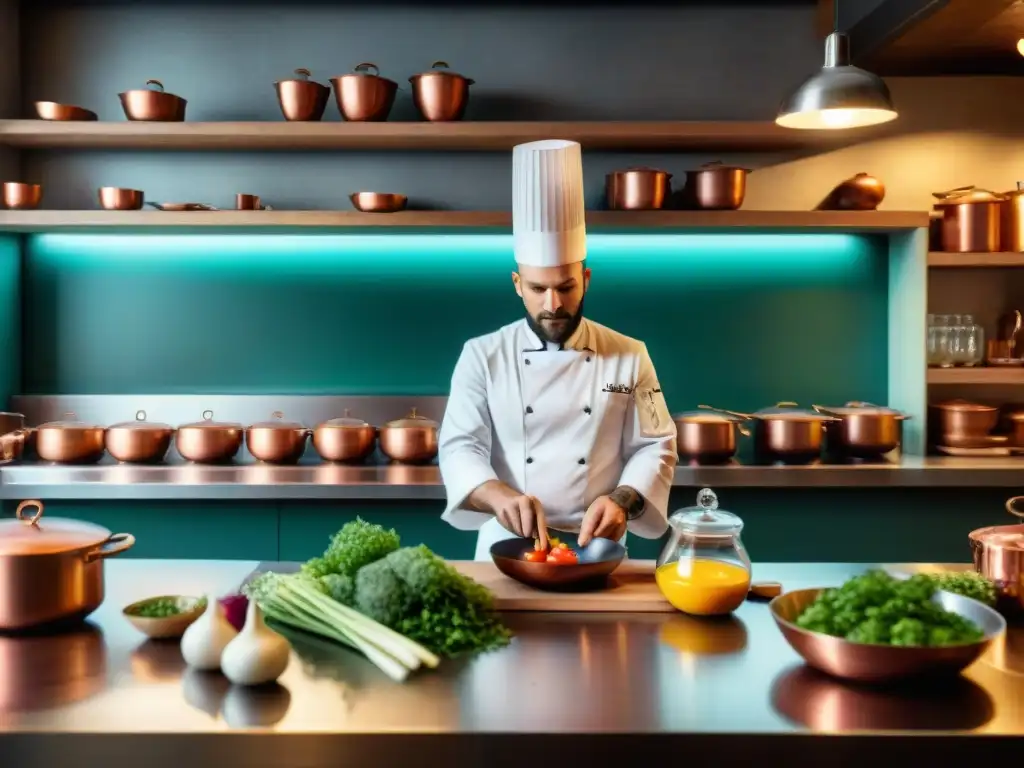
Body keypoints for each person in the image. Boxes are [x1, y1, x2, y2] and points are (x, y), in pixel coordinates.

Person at [438, 138, 678, 561]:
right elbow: (461, 447)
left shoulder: (631, 354)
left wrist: (623, 501)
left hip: (597, 549)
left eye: (566, 287)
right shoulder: (482, 355)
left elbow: (655, 445)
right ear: (517, 285)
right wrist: (496, 496)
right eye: (537, 289)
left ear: (585, 279)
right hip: (505, 548)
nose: (553, 304)